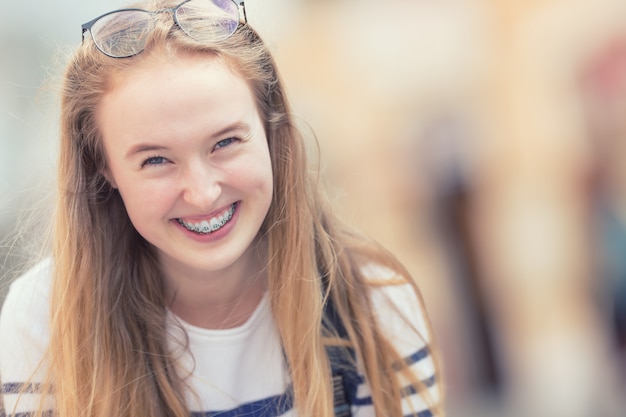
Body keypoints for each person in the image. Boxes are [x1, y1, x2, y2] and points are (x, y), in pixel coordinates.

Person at [0, 0, 443, 416]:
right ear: (104, 168)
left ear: (271, 132)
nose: (203, 192)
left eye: (225, 142)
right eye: (155, 160)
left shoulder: (373, 305)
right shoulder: (45, 320)